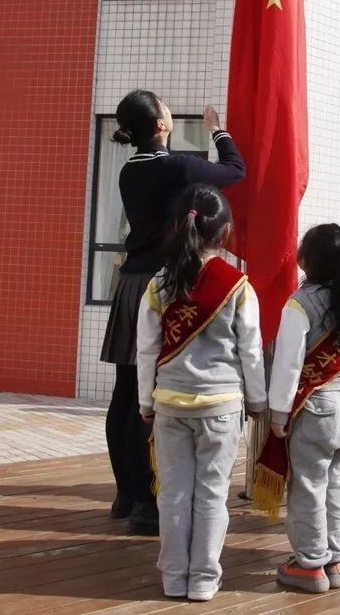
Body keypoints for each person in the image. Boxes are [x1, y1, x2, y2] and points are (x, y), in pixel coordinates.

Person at [102, 91, 245, 535]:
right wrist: (218, 130)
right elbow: (235, 172)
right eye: (165, 109)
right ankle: (147, 503)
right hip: (162, 288)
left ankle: (127, 494)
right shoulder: (175, 166)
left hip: (129, 284)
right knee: (152, 400)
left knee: (126, 393)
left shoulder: (129, 170)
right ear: (160, 125)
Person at [135, 184, 266, 601]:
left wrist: (145, 401)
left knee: (172, 495)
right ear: (224, 232)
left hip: (170, 405)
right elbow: (251, 350)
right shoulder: (239, 286)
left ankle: (174, 578)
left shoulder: (159, 283)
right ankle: (205, 579)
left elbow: (146, 350)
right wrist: (258, 401)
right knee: (212, 495)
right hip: (222, 407)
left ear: (179, 227)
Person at [254, 224, 340, 594]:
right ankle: (334, 558)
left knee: (308, 486)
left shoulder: (300, 303)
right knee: (337, 486)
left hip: (313, 405)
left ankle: (309, 564)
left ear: (308, 259)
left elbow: (288, 365)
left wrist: (279, 415)